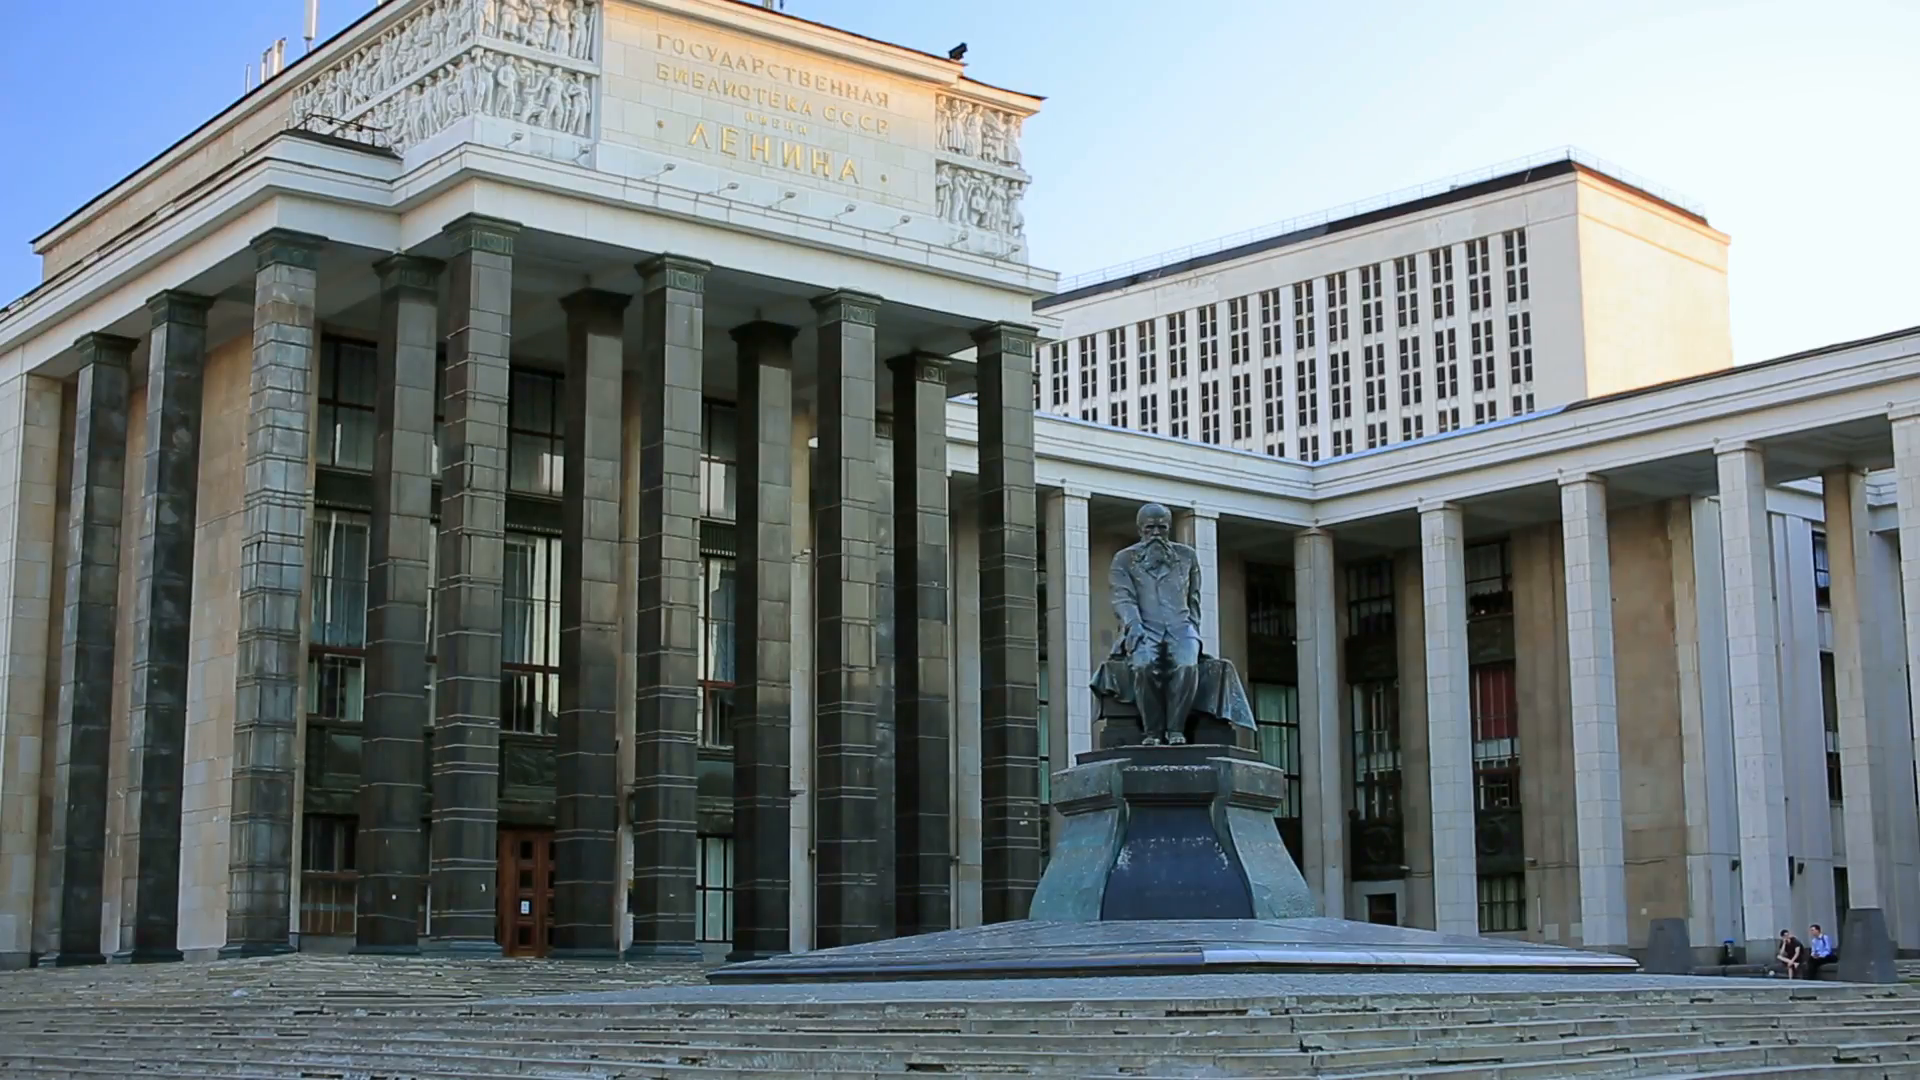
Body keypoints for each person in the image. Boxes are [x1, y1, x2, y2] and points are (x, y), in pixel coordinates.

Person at [1109, 503, 1204, 745]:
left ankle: (1175, 730)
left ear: (1169, 528)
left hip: (1181, 627)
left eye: (1161, 528)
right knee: (1143, 666)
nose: (1156, 534)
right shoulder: (1124, 559)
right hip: (1144, 626)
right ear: (1140, 529)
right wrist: (1134, 626)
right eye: (1150, 528)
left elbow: (1194, 597)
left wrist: (1193, 629)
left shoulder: (1187, 556)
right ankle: (1152, 732)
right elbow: (1122, 597)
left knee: (1187, 665)